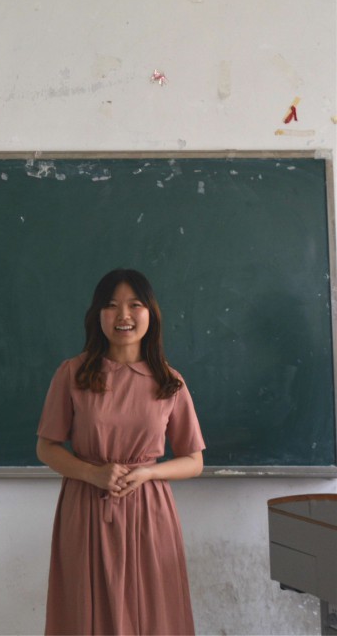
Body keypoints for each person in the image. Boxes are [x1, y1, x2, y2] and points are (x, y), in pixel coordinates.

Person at [36, 268, 205, 635]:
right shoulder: (72, 373)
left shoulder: (170, 382)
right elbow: (46, 447)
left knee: (153, 612)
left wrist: (149, 472)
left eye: (135, 305)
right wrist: (92, 473)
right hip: (86, 505)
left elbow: (194, 461)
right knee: (85, 612)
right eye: (111, 305)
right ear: (98, 314)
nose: (123, 315)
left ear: (151, 314)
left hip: (149, 511)